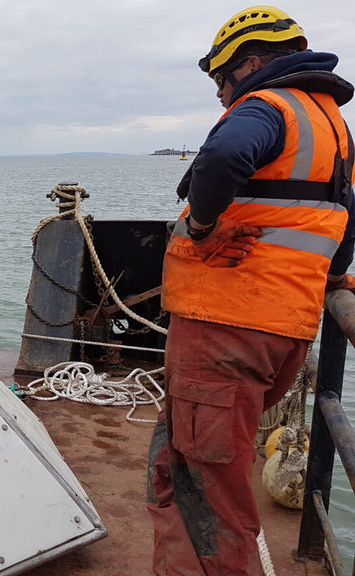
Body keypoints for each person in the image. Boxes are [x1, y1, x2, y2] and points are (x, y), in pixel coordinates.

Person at [148, 6, 354, 574]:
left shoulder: (266, 106)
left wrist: (204, 225)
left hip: (224, 326)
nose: (219, 94)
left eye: (221, 78)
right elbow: (345, 221)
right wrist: (335, 279)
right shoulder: (331, 125)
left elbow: (221, 156)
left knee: (200, 489)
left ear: (254, 64)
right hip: (281, 331)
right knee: (210, 465)